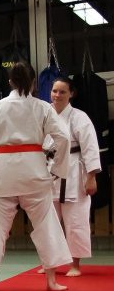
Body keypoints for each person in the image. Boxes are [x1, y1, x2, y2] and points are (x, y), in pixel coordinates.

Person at [0, 62, 72, 291]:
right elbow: (63, 137)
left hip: (3, 172)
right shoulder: (43, 107)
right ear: (34, 83)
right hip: (33, 171)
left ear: (10, 82)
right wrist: (57, 169)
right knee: (46, 224)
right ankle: (51, 280)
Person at [42, 76, 101, 276]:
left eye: (62, 92)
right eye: (54, 91)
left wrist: (91, 177)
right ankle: (49, 263)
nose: (57, 95)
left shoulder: (79, 117)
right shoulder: (45, 114)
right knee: (47, 221)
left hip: (74, 172)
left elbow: (90, 148)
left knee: (76, 220)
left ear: (71, 94)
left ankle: (75, 264)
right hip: (49, 170)